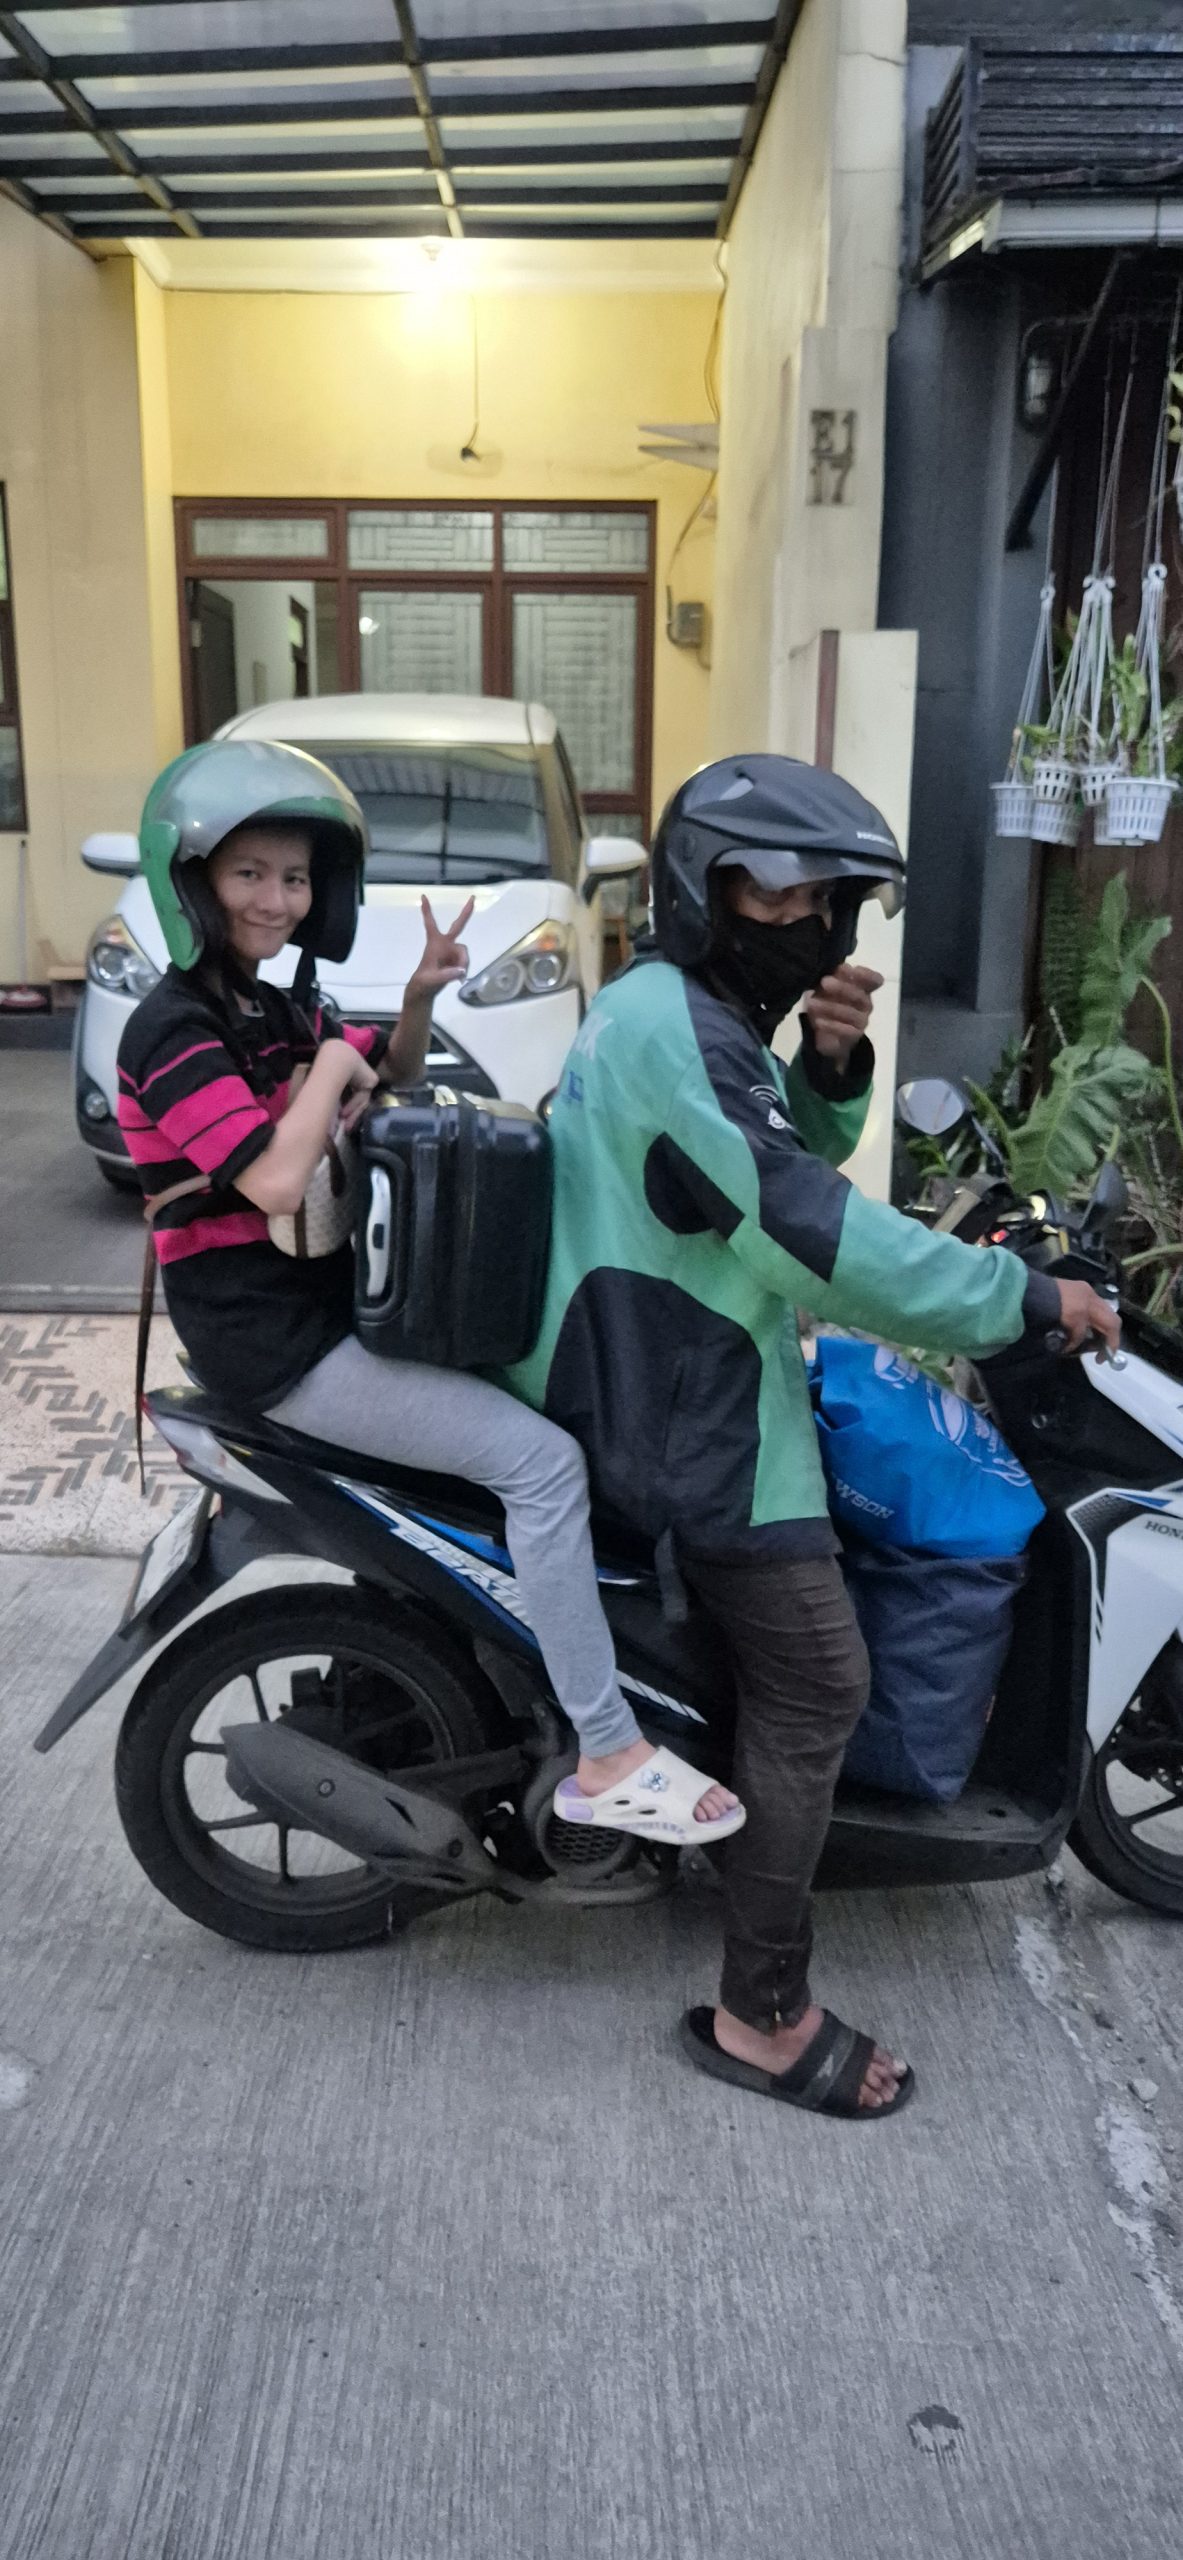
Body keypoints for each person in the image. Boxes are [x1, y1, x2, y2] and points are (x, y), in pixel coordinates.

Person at [510, 754, 1120, 2119]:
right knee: (819, 1682)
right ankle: (762, 2012)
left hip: (681, 1364)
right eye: (774, 896)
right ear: (702, 887)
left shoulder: (688, 1014)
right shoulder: (679, 1028)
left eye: (822, 902)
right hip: (686, 1407)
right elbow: (806, 1229)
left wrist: (830, 1065)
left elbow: (761, 1164)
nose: (803, 925)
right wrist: (1023, 1298)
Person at [117, 737, 745, 1847]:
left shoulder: (270, 1004)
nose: (275, 898)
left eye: (295, 877)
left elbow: (392, 1069)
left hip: (335, 1311)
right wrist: (329, 1072)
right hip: (279, 1347)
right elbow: (272, 1179)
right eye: (248, 872)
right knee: (541, 1466)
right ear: (191, 878)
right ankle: (607, 1749)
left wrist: (416, 996)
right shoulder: (173, 1028)